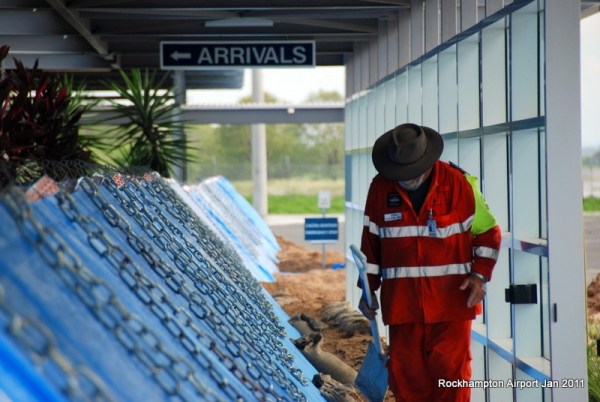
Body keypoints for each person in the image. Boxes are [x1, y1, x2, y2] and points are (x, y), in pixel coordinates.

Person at [358, 123, 502, 402]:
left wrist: (480, 276)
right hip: (403, 308)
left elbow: (488, 233)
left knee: (452, 380)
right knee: (406, 379)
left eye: (411, 173)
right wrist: (368, 290)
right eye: (399, 173)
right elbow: (371, 245)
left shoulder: (459, 184)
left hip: (452, 305)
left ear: (427, 163)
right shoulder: (380, 188)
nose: (405, 179)